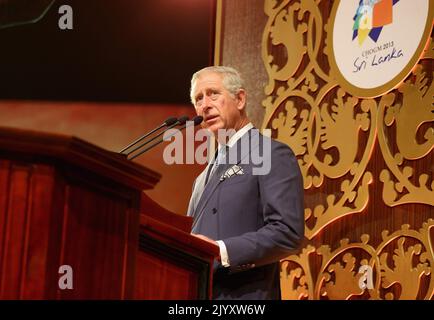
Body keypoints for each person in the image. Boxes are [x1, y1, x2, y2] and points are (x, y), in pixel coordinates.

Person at [187, 66, 304, 300]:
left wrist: (221, 250)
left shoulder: (270, 153)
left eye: (213, 93)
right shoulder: (200, 180)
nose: (205, 104)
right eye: (199, 98)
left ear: (240, 99)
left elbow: (287, 233)